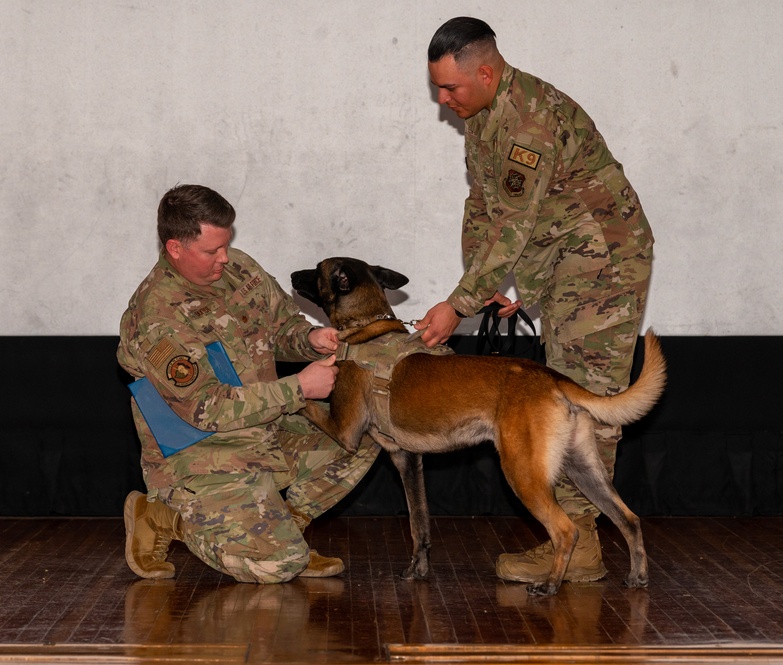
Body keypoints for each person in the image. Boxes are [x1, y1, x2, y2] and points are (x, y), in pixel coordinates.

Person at [416, 17, 654, 584]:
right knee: (566, 399)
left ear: (486, 71)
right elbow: (484, 207)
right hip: (565, 262)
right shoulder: (482, 115)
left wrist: (460, 303)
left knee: (585, 402)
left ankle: (581, 546)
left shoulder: (529, 122)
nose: (444, 100)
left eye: (450, 88)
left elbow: (515, 223)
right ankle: (575, 540)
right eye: (437, 89)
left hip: (604, 262)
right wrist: (488, 280)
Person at [117, 184, 380, 584]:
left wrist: (309, 340)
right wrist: (300, 387)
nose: (225, 258)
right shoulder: (158, 318)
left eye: (227, 245)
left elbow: (282, 326)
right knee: (276, 568)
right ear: (174, 248)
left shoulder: (238, 267)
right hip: (204, 452)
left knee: (369, 426)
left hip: (265, 426)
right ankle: (161, 517)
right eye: (212, 251)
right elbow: (208, 409)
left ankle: (282, 532)